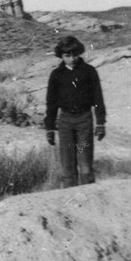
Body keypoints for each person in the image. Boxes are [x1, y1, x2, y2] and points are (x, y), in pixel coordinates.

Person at [44, 35, 106, 186]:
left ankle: (88, 202)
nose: (71, 58)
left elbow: (98, 98)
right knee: (67, 167)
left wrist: (100, 123)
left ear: (79, 53)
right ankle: (70, 203)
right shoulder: (56, 75)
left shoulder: (89, 71)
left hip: (84, 120)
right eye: (67, 55)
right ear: (61, 56)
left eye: (74, 54)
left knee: (85, 166)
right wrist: (50, 128)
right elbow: (51, 103)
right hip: (65, 121)